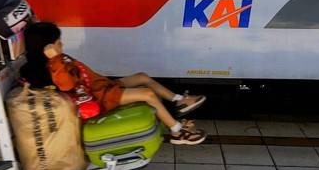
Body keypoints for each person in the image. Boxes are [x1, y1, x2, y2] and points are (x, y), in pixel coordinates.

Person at [20, 22, 208, 145]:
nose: (62, 46)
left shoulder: (58, 60)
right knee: (147, 94)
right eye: (58, 43)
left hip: (102, 86)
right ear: (47, 49)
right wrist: (55, 60)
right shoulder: (55, 66)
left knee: (142, 77)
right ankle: (177, 132)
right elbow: (67, 86)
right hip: (100, 97)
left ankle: (178, 100)